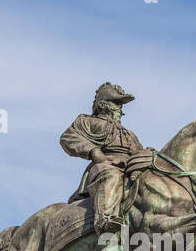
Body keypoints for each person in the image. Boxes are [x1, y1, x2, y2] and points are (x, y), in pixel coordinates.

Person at [60, 82, 143, 236]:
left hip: (129, 168)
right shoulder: (87, 121)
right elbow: (68, 137)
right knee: (112, 176)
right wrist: (93, 151)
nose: (120, 108)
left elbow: (139, 153)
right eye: (116, 103)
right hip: (105, 165)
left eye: (121, 104)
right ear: (103, 105)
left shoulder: (129, 134)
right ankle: (105, 220)